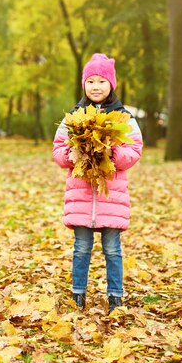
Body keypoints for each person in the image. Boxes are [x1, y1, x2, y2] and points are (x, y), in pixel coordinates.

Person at [52, 53, 143, 314]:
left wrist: (112, 154)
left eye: (101, 81)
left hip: (111, 197)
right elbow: (58, 150)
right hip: (80, 196)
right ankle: (77, 295)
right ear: (83, 84)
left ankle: (116, 297)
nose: (95, 86)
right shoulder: (73, 117)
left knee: (112, 250)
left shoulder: (124, 118)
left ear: (111, 85)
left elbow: (134, 150)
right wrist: (72, 155)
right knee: (81, 248)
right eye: (90, 81)